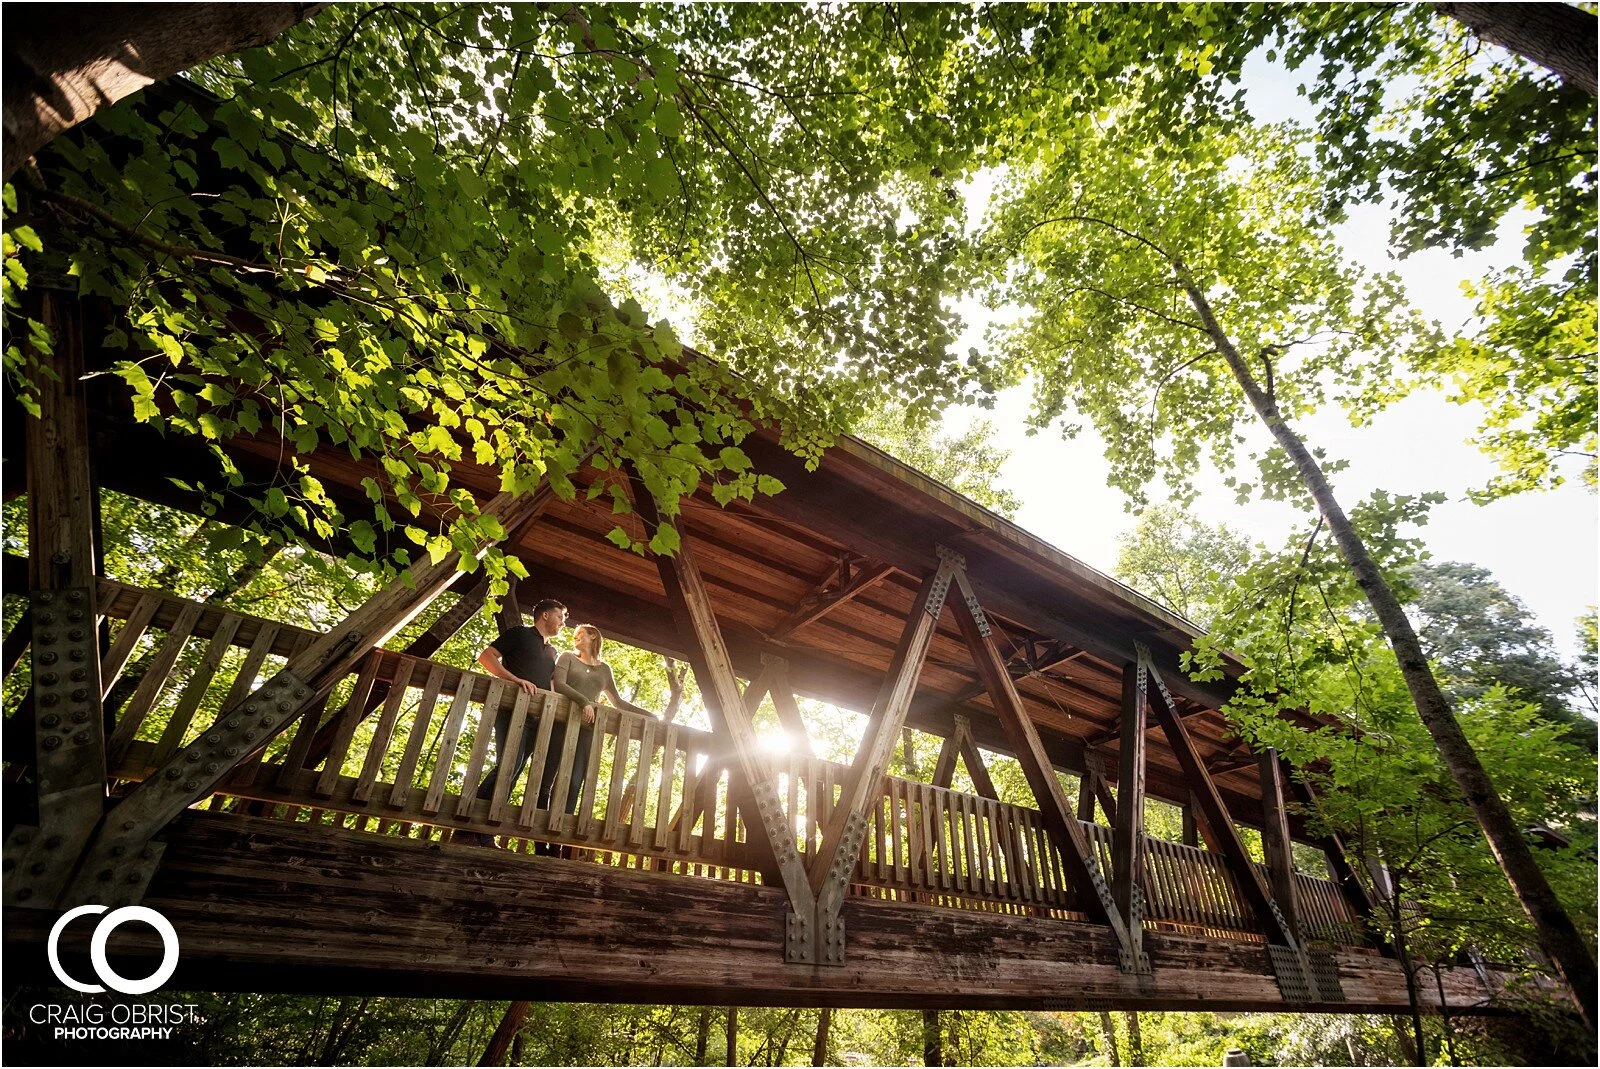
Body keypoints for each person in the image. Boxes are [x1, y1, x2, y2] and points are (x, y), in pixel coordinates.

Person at [543, 624, 654, 815]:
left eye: (579, 634)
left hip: (586, 730)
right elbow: (559, 684)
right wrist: (584, 702)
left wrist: (650, 715)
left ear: (593, 636)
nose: (575, 638)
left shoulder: (604, 670)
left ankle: (557, 838)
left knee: (575, 781)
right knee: (548, 778)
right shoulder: (567, 657)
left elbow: (618, 702)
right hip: (560, 723)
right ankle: (538, 839)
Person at [468, 597, 567, 809]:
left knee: (515, 770)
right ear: (545, 615)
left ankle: (485, 829)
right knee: (508, 766)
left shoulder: (553, 652)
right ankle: (466, 821)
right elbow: (486, 657)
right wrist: (516, 680)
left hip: (537, 717)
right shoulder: (519, 634)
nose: (563, 622)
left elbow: (551, 684)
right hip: (512, 709)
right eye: (560, 616)